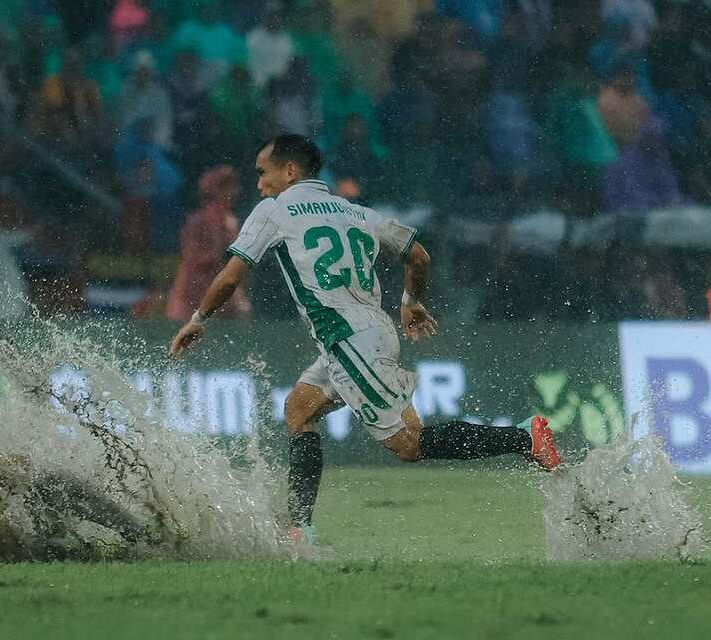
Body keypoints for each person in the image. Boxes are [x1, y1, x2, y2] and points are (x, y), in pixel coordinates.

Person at [167, 134, 561, 545]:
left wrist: (198, 318)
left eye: (263, 173)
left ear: (289, 172)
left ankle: (526, 437)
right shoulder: (353, 210)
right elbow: (419, 255)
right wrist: (410, 300)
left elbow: (232, 275)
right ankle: (299, 529)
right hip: (370, 330)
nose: (259, 184)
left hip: (346, 338)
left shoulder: (274, 210)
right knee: (300, 409)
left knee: (409, 444)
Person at [166, 165, 251, 322]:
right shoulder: (200, 221)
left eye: (233, 187)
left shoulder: (229, 221)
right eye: (227, 188)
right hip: (193, 291)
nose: (234, 193)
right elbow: (194, 257)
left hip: (216, 290)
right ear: (215, 190)